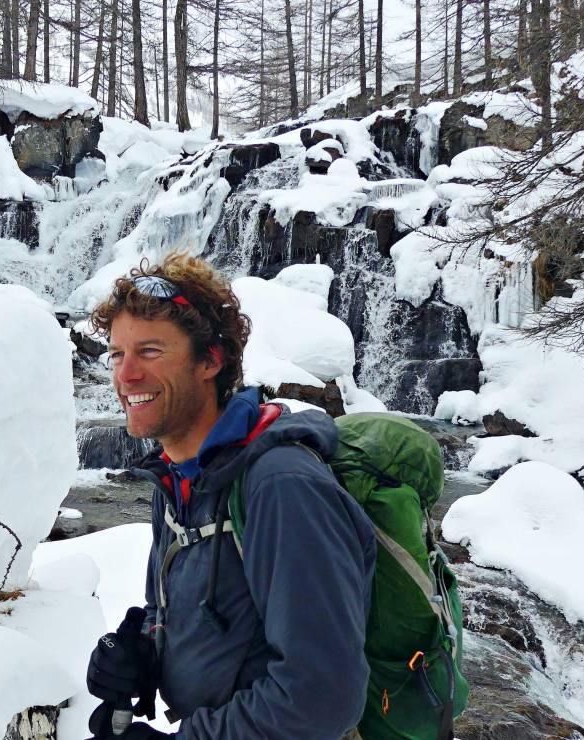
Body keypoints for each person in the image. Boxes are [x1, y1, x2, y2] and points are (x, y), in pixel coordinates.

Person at [84, 253, 377, 740]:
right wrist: (144, 654)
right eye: (117, 354)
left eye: (151, 351)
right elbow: (197, 615)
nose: (126, 374)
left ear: (211, 360)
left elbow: (322, 698)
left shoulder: (282, 487)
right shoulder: (179, 475)